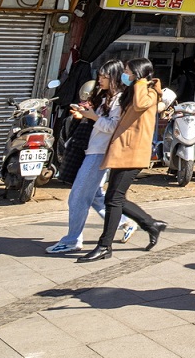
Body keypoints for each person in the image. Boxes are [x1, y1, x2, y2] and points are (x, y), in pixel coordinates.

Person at [80, 57, 167, 262]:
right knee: (114, 198)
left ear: (138, 73)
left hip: (134, 152)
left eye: (128, 71)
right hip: (123, 150)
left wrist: (140, 82)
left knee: (113, 198)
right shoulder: (135, 90)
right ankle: (151, 225)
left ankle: (105, 245)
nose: (125, 75)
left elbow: (139, 105)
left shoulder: (149, 92)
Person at [46, 61, 136, 254]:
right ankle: (125, 222)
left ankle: (72, 240)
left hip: (99, 153)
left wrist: (93, 117)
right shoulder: (105, 97)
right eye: (100, 76)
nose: (100, 80)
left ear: (115, 77)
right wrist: (84, 115)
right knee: (94, 195)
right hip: (91, 149)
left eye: (105, 77)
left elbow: (114, 127)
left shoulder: (120, 100)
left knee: (78, 197)